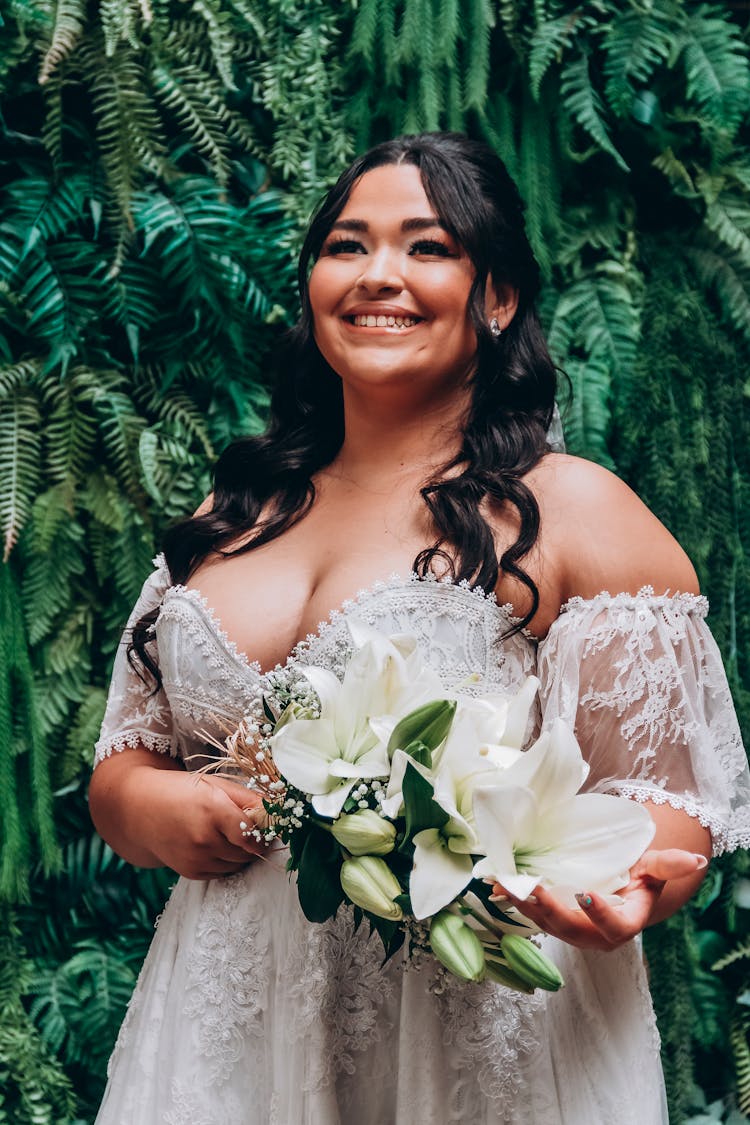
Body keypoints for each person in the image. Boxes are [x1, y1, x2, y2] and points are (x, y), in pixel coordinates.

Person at [89, 133, 750, 1125]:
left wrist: (624, 891)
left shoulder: (570, 512)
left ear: (498, 296)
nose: (378, 275)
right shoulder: (230, 521)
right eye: (347, 246)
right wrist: (157, 811)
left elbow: (666, 797)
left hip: (465, 1029)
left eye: (427, 247)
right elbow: (124, 762)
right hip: (228, 1028)